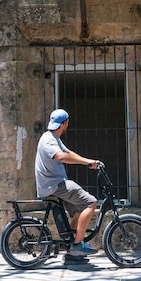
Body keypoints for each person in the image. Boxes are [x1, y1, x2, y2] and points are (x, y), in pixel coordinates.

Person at [35, 108, 100, 257]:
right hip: (53, 184)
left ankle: (70, 247)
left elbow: (68, 152)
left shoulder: (53, 137)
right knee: (91, 202)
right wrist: (86, 162)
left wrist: (88, 161)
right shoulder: (49, 140)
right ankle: (77, 244)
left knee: (78, 210)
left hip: (55, 183)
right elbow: (61, 156)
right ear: (65, 123)